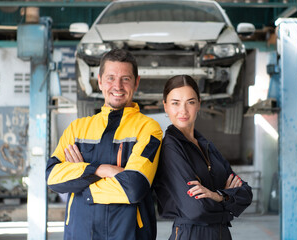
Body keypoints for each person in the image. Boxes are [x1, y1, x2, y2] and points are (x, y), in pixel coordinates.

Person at [46, 49, 163, 240]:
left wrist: (81, 182)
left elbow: (133, 187)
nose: (117, 86)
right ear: (100, 81)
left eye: (125, 78)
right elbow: (52, 178)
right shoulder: (77, 129)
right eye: (110, 78)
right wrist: (101, 170)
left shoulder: (148, 129)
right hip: (80, 233)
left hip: (129, 234)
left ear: (136, 82)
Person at [154, 75, 253, 240]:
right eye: (175, 103)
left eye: (190, 102)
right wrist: (228, 199)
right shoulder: (170, 148)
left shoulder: (207, 146)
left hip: (222, 233)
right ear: (165, 106)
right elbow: (195, 209)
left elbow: (246, 193)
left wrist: (217, 196)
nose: (183, 111)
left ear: (199, 104)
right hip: (192, 233)